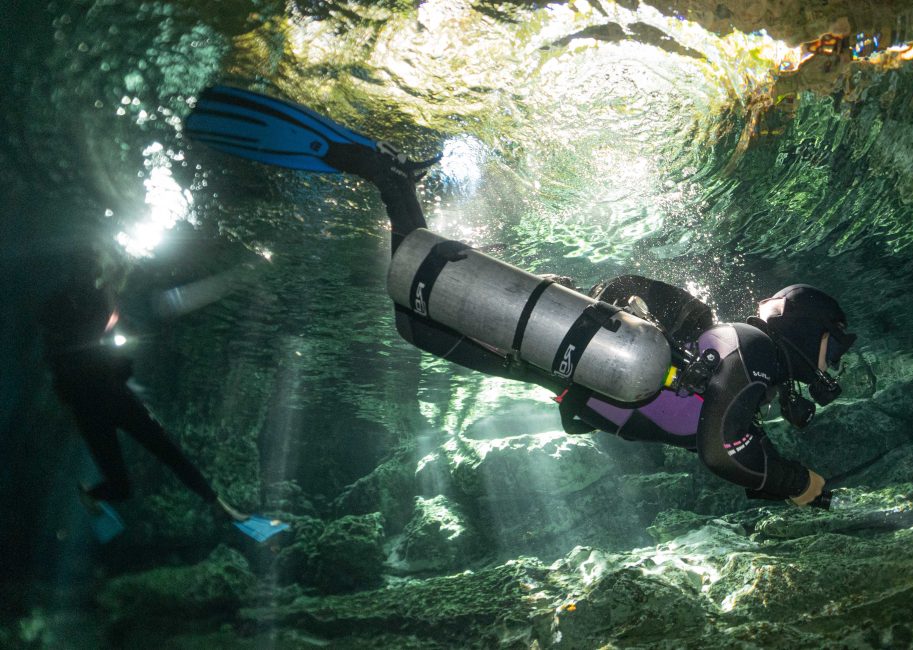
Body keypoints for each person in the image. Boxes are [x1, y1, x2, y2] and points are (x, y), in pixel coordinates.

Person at [186, 86, 861, 508]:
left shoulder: (739, 352)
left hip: (546, 366)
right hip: (547, 359)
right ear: (805, 327)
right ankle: (391, 179)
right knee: (415, 310)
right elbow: (723, 452)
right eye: (834, 348)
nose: (831, 366)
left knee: (413, 324)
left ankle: (393, 184)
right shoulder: (755, 351)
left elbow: (693, 411)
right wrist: (802, 485)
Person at [37, 249, 285, 538]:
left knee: (167, 451)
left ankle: (220, 505)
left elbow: (109, 336)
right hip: (91, 404)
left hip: (110, 395)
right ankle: (91, 495)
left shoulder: (99, 301)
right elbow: (82, 335)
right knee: (123, 486)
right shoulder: (81, 305)